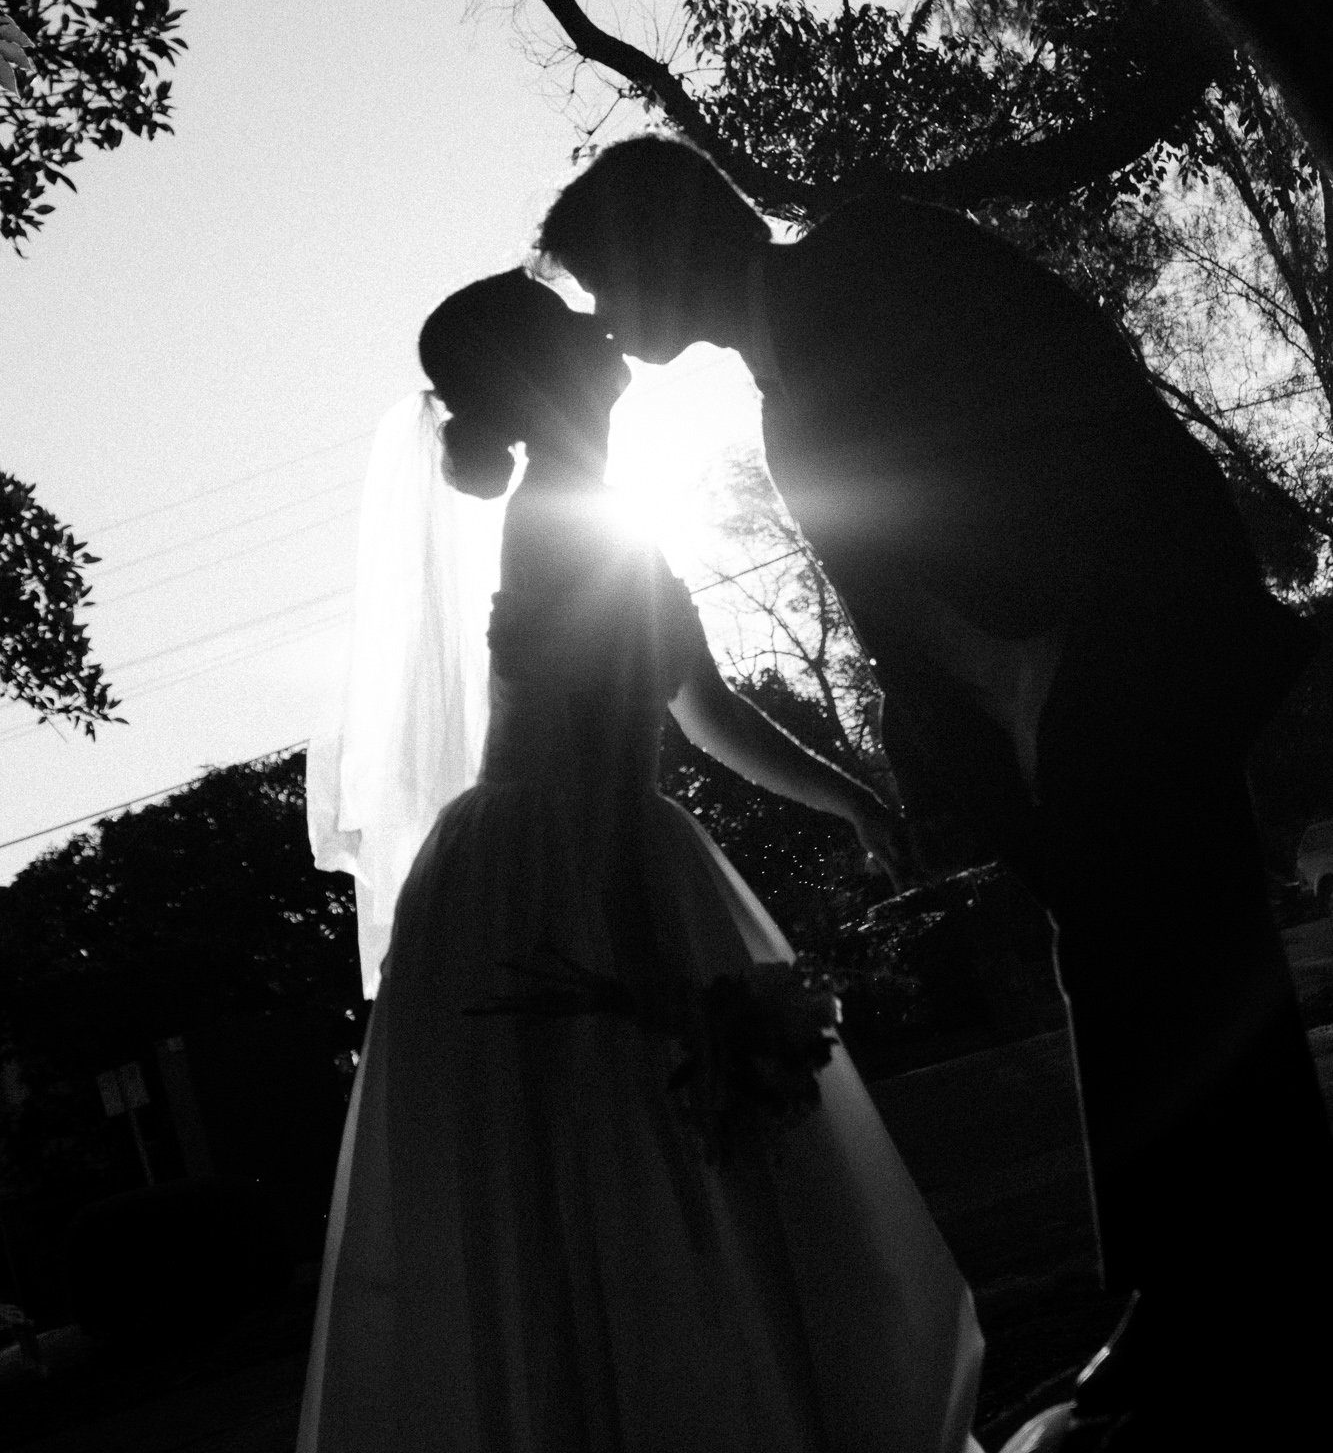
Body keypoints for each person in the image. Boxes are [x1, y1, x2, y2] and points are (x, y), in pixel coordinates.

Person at [537, 134, 1333, 1447]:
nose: (610, 329)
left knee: (1158, 955)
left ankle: (1197, 1293)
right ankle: (1232, 1278)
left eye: (606, 290)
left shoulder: (874, 250)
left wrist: (1071, 623)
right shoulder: (768, 399)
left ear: (657, 244)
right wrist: (944, 730)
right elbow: (889, 579)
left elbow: (1075, 378)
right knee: (1166, 954)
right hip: (1027, 710)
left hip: (1126, 631)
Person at [299, 268, 984, 1453]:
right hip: (580, 860)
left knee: (631, 1188)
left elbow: (698, 705)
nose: (595, 320)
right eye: (562, 315)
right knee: (631, 1175)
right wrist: (635, 956)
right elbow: (593, 736)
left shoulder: (590, 498)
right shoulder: (564, 505)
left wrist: (849, 799)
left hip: (579, 845)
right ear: (538, 369)